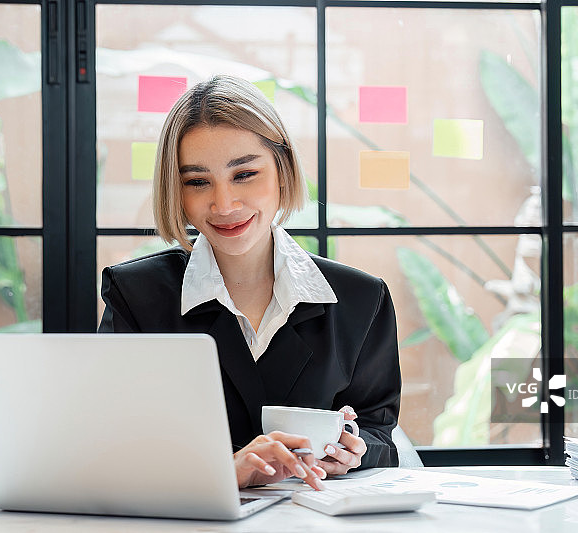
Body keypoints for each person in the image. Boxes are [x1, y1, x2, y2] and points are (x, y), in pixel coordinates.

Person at [98, 75, 401, 491]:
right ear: (176, 190)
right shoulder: (136, 294)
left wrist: (355, 449)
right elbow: (112, 441)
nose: (224, 204)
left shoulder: (361, 300)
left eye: (244, 175)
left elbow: (379, 433)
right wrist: (224, 471)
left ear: (282, 169)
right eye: (197, 181)